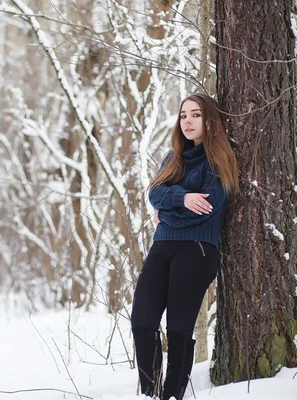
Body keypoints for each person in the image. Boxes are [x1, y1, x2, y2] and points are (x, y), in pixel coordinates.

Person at [130, 93, 239, 400]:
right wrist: (181, 200)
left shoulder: (219, 159)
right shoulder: (172, 158)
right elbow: (155, 194)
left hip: (197, 250)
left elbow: (208, 208)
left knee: (178, 328)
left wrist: (166, 213)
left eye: (196, 115)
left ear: (209, 120)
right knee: (142, 319)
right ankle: (149, 394)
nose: (188, 121)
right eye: (183, 115)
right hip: (162, 247)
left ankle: (172, 395)